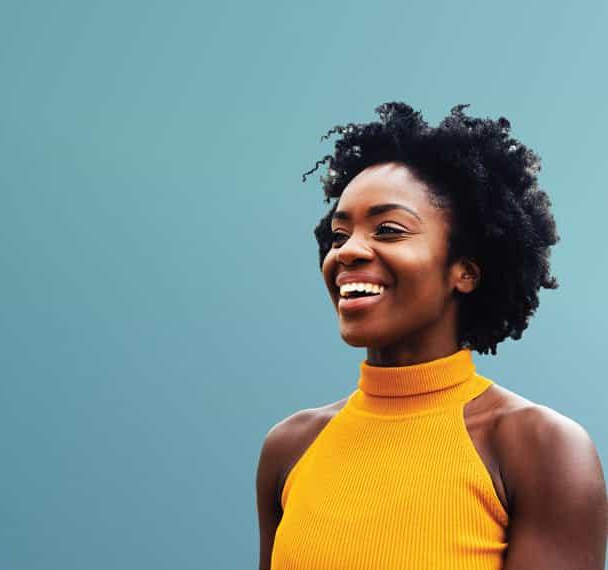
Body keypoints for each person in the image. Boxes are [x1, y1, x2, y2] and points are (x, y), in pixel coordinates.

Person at [255, 102, 608, 569]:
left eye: (388, 230)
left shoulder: (540, 448)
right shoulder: (290, 447)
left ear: (465, 271)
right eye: (339, 235)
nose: (348, 251)